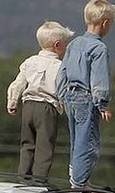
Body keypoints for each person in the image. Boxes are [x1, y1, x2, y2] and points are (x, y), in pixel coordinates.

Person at [55, 0, 115, 189]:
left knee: (76, 140)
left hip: (69, 96)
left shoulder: (75, 43)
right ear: (106, 23)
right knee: (88, 143)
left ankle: (76, 176)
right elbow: (99, 80)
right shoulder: (99, 48)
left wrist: (61, 96)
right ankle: (80, 182)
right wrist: (103, 104)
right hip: (86, 98)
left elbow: (63, 72)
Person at [7, 21, 74, 178]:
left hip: (28, 106)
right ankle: (39, 180)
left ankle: (23, 177)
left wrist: (12, 102)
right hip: (47, 108)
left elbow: (18, 84)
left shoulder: (30, 61)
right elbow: (63, 90)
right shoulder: (60, 66)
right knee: (45, 146)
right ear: (58, 45)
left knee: (27, 144)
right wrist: (68, 109)